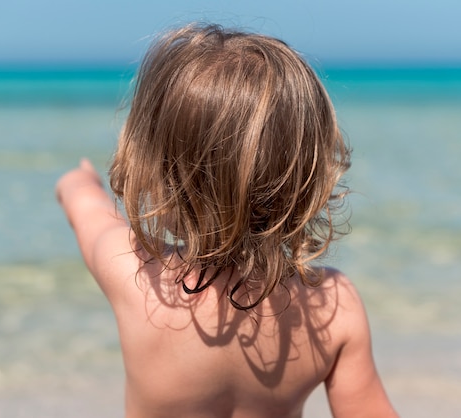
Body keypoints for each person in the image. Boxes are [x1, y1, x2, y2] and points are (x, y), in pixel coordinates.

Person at [56, 23, 397, 418]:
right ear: (305, 175)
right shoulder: (334, 307)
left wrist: (77, 180)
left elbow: (86, 208)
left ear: (156, 169)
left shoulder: (134, 273)